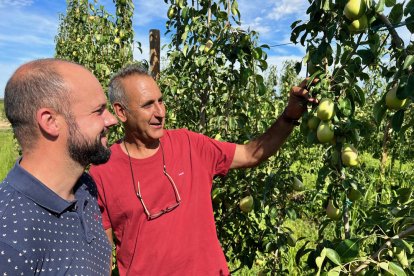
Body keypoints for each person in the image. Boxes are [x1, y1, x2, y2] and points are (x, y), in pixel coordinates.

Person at [89, 64, 316, 275]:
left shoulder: (190, 144)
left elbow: (250, 154)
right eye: (148, 105)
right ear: (121, 112)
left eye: (161, 101)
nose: (160, 112)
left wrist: (290, 115)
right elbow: (102, 258)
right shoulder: (102, 172)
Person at [0, 58, 118, 275]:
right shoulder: (9, 239)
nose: (112, 120)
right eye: (98, 111)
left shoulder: (84, 186)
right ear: (51, 122)